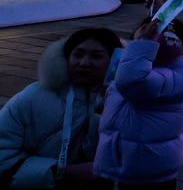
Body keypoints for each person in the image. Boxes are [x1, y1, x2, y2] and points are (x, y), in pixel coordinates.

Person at [0, 27, 122, 189]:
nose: (84, 63)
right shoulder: (32, 98)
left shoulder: (125, 102)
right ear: (65, 58)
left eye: (96, 56)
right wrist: (62, 172)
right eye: (78, 54)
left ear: (115, 61)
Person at [94, 19, 183, 189]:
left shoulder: (154, 81)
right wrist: (160, 13)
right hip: (147, 164)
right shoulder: (174, 73)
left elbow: (131, 80)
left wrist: (144, 42)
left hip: (138, 170)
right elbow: (165, 49)